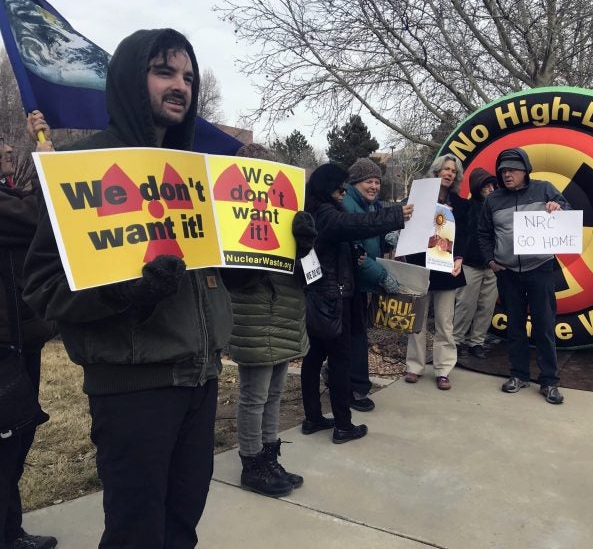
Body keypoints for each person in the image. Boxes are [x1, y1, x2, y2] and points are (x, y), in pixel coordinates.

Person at [23, 29, 235, 548]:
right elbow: (44, 288)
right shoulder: (83, 167)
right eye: (165, 71)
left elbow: (220, 271)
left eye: (187, 76)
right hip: (135, 388)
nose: (180, 85)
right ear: (128, 79)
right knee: (136, 534)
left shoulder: (196, 176)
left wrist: (285, 245)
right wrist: (127, 290)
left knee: (181, 527)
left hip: (201, 379)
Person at [227, 143, 317, 498]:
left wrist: (305, 246)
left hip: (285, 314)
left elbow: (310, 276)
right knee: (255, 396)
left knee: (275, 393)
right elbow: (234, 277)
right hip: (255, 316)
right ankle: (252, 463)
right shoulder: (233, 219)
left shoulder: (286, 214)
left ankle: (269, 456)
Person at [301, 163, 412, 444]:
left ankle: (313, 417)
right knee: (339, 360)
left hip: (319, 295)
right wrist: (396, 215)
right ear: (328, 188)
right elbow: (352, 225)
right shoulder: (326, 214)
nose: (343, 193)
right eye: (340, 188)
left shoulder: (312, 211)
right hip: (333, 297)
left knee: (313, 358)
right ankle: (343, 425)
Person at [1, 115, 57, 549]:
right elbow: (43, 213)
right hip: (5, 348)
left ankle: (11, 530)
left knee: (18, 438)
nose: (6, 151)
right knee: (8, 443)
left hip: (22, 341)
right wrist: (45, 160)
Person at [477, 147, 570, 405]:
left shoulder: (544, 189)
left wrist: (558, 207)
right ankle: (519, 375)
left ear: (525, 170)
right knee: (514, 326)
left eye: (512, 170)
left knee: (544, 325)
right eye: (503, 171)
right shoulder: (492, 200)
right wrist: (490, 260)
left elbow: (568, 211)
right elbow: (483, 233)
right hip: (507, 272)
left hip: (540, 269)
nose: (507, 175)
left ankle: (549, 381)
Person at [404, 154, 468, 391]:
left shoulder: (461, 204)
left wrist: (460, 258)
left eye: (453, 170)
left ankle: (443, 370)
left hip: (447, 270)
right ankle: (414, 366)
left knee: (445, 323)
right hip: (421, 265)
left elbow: (465, 236)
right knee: (417, 320)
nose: (449, 173)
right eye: (445, 169)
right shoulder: (418, 198)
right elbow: (407, 225)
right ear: (436, 171)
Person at [340, 157, 400, 412]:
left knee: (354, 334)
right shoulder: (348, 206)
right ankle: (355, 388)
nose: (374, 186)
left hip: (360, 282)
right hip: (349, 282)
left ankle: (344, 379)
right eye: (369, 181)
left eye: (377, 181)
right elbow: (357, 253)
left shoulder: (370, 206)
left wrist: (387, 240)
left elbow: (372, 243)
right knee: (353, 337)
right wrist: (381, 276)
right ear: (355, 182)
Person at [453, 167, 498, 359]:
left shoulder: (497, 208)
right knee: (465, 305)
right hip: (470, 264)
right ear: (477, 187)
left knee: (487, 306)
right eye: (486, 185)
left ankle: (476, 342)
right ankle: (455, 341)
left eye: (492, 185)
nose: (490, 189)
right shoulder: (466, 207)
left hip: (492, 266)